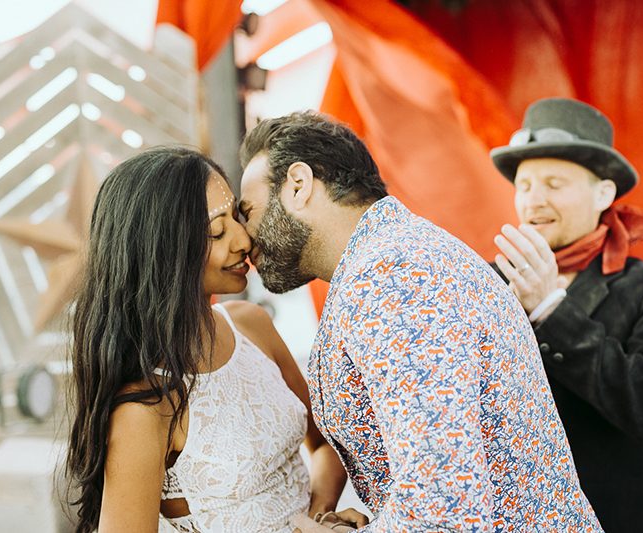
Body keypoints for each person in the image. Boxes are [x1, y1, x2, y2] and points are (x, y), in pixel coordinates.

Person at [237, 111, 602, 531]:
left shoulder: (392, 276)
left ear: (298, 185)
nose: (245, 236)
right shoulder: (399, 255)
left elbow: (445, 505)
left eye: (249, 210)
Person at [65, 147, 367, 533]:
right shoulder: (146, 406)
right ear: (164, 253)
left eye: (238, 219)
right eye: (217, 231)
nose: (244, 240)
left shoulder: (252, 326)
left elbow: (327, 444)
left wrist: (319, 516)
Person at [489, 97, 643, 532]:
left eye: (553, 183)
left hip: (609, 517)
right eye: (524, 185)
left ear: (603, 193)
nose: (534, 200)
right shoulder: (486, 281)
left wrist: (551, 309)